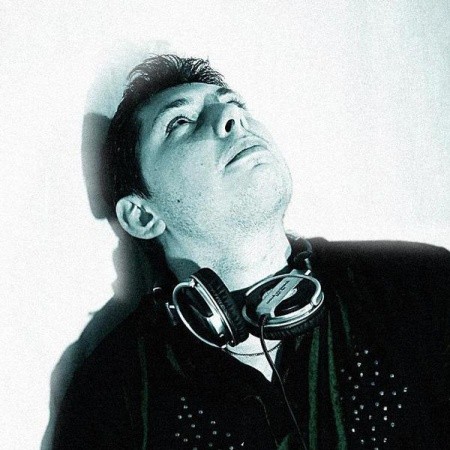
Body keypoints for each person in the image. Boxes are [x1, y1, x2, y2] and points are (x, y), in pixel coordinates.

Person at [52, 55, 449, 449]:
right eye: (179, 123)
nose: (232, 116)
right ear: (142, 215)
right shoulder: (112, 393)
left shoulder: (422, 285)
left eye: (234, 103)